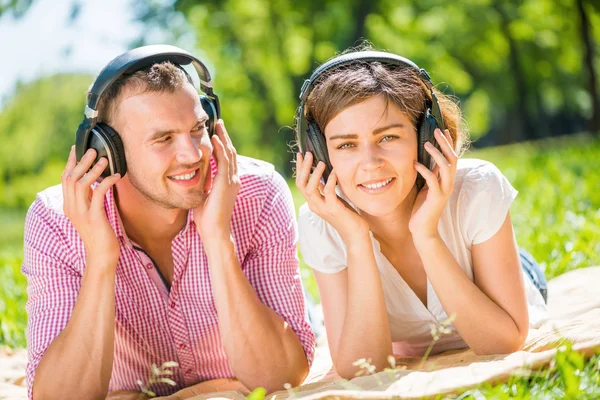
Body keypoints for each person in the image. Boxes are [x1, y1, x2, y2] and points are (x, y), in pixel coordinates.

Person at [22, 45, 315, 400]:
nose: (193, 154)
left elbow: (280, 378)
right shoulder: (56, 221)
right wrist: (100, 259)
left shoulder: (258, 192)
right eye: (163, 139)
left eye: (198, 129)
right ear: (107, 152)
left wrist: (219, 240)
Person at [294, 48, 548, 379]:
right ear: (319, 155)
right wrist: (356, 239)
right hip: (405, 333)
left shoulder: (477, 188)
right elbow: (362, 370)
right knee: (325, 321)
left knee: (520, 266)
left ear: (425, 136)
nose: (370, 163)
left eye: (387, 137)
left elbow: (504, 342)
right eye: (346, 145)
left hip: (500, 276)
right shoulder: (321, 221)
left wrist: (426, 235)